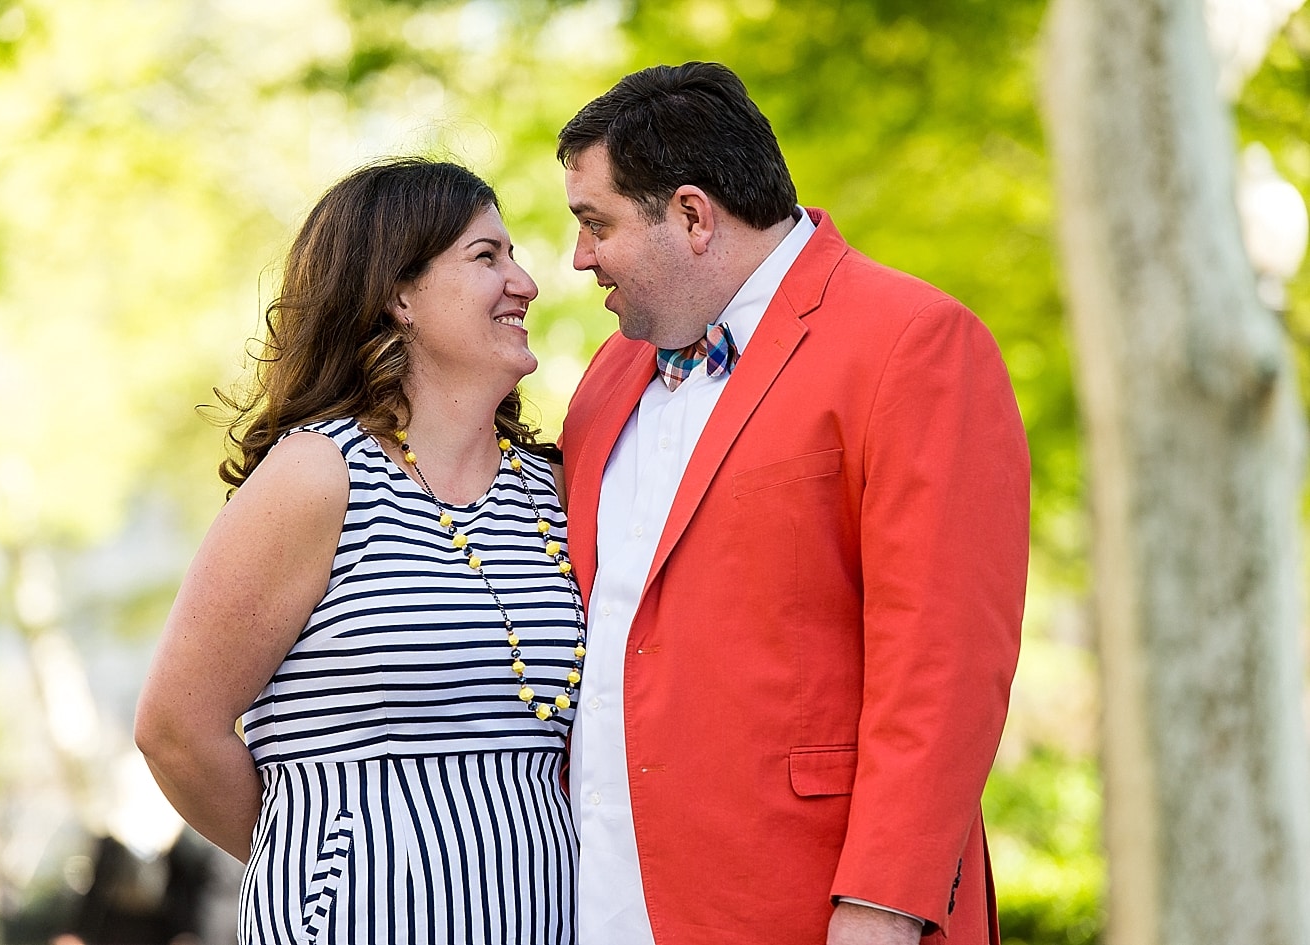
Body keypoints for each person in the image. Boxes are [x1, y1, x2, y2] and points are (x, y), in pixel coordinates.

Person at [555, 62, 1030, 945]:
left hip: (809, 903)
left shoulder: (912, 342)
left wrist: (884, 906)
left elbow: (945, 660)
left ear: (693, 215)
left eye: (596, 223)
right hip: (605, 899)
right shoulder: (608, 375)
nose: (579, 257)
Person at [134, 158, 584, 945]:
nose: (526, 282)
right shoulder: (321, 472)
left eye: (513, 255)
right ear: (397, 293)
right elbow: (176, 728)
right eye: (487, 257)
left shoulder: (554, 488)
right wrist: (319, 859)